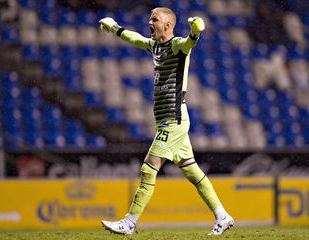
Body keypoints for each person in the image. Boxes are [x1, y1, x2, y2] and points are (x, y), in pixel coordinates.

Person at [99, 7, 234, 235]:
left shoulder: (176, 45)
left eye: (155, 19)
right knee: (191, 171)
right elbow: (137, 39)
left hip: (173, 118)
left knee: (148, 168)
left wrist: (195, 31)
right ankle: (223, 216)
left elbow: (188, 44)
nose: (150, 22)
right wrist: (115, 29)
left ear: (168, 25)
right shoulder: (156, 46)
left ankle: (129, 223)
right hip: (166, 119)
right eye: (150, 18)